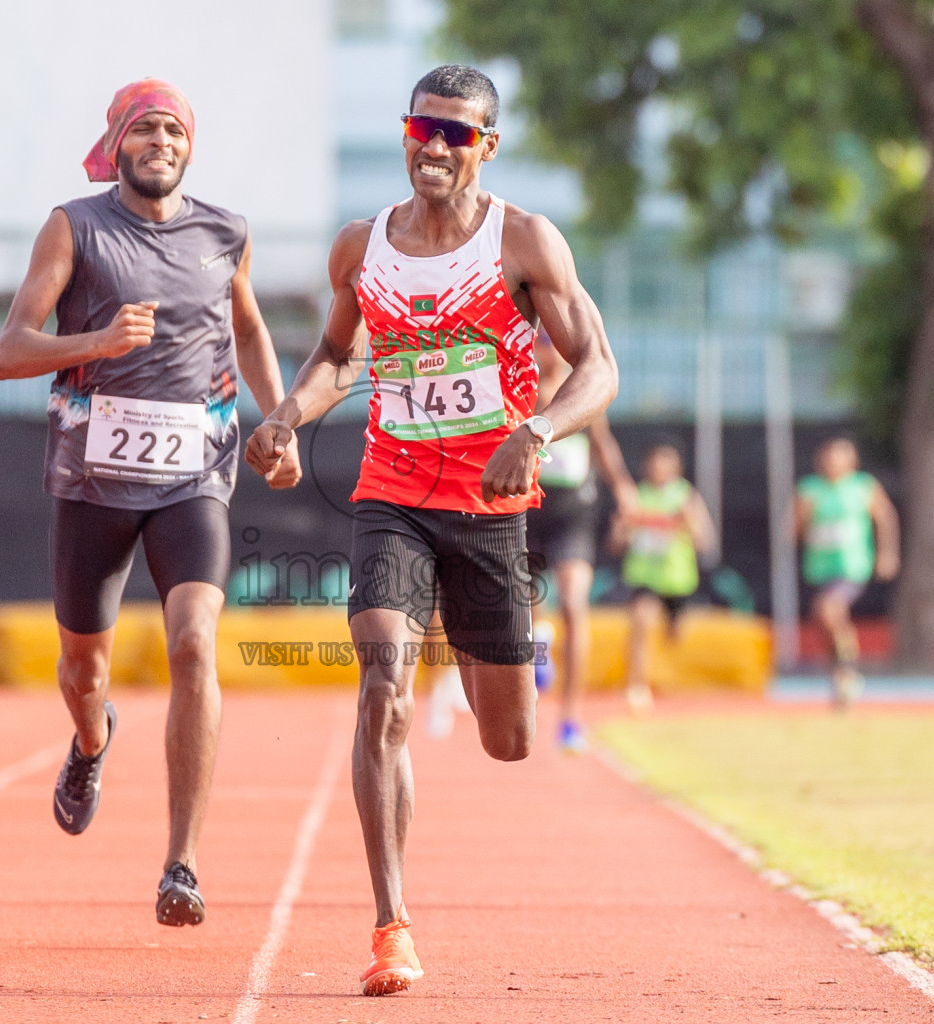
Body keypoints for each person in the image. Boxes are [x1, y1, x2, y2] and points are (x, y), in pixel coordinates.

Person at [244, 65, 618, 996]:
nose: (436, 147)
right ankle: (391, 927)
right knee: (382, 686)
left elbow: (599, 369)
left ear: (487, 146)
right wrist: (289, 413)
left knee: (508, 741)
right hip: (394, 493)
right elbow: (339, 354)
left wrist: (532, 430)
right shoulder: (361, 245)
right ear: (405, 134)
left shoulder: (524, 242)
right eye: (424, 129)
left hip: (490, 510)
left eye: (458, 134)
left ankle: (490, 648)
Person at [0, 80, 301, 928]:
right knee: (83, 668)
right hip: (93, 479)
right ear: (118, 144)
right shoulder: (75, 226)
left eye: (173, 129)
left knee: (195, 642)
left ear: (188, 147)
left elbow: (249, 328)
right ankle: (91, 740)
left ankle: (182, 865)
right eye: (144, 129)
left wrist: (277, 418)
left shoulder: (225, 231)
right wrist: (96, 339)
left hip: (193, 476)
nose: (159, 140)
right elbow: (8, 351)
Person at [526, 331, 636, 751]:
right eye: (539, 344)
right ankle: (538, 642)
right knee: (525, 598)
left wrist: (623, 487)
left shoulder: (578, 387)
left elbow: (602, 442)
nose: (546, 353)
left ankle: (571, 719)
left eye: (552, 345)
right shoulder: (519, 384)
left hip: (574, 510)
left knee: (574, 604)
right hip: (528, 506)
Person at [794, 437, 899, 709]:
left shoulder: (863, 486)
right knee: (824, 619)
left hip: (852, 566)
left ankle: (848, 670)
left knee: (829, 610)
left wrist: (887, 553)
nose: (833, 463)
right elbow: (794, 531)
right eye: (829, 457)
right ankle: (841, 671)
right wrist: (802, 518)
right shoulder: (809, 490)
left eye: (840, 457)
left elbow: (885, 517)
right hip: (819, 567)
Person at [613, 441, 717, 714]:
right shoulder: (635, 497)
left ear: (676, 467)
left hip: (677, 579)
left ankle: (674, 684)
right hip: (644, 577)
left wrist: (688, 522)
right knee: (641, 620)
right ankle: (637, 688)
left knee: (675, 636)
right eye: (655, 463)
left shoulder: (686, 497)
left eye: (665, 463)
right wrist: (623, 528)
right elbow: (615, 543)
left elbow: (705, 541)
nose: (659, 468)